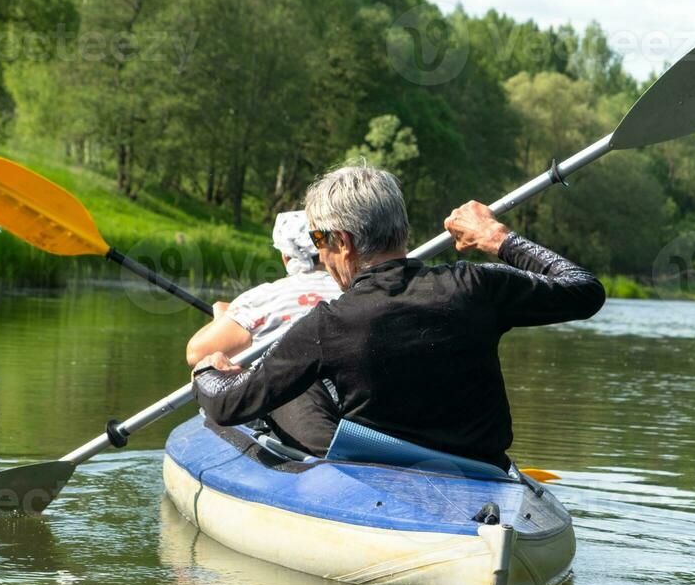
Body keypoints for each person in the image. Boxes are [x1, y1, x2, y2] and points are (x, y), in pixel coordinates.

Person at [192, 165, 606, 467]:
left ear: (343, 242)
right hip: (481, 470)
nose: (319, 253)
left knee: (288, 385)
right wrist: (496, 238)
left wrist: (211, 372)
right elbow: (583, 290)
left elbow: (229, 405)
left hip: (383, 477)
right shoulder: (476, 286)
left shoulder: (326, 324)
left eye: (319, 239)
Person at [185, 210, 342, 454]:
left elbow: (197, 354)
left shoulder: (265, 297)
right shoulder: (356, 290)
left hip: (294, 405)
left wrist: (224, 316)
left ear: (284, 257)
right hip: (345, 400)